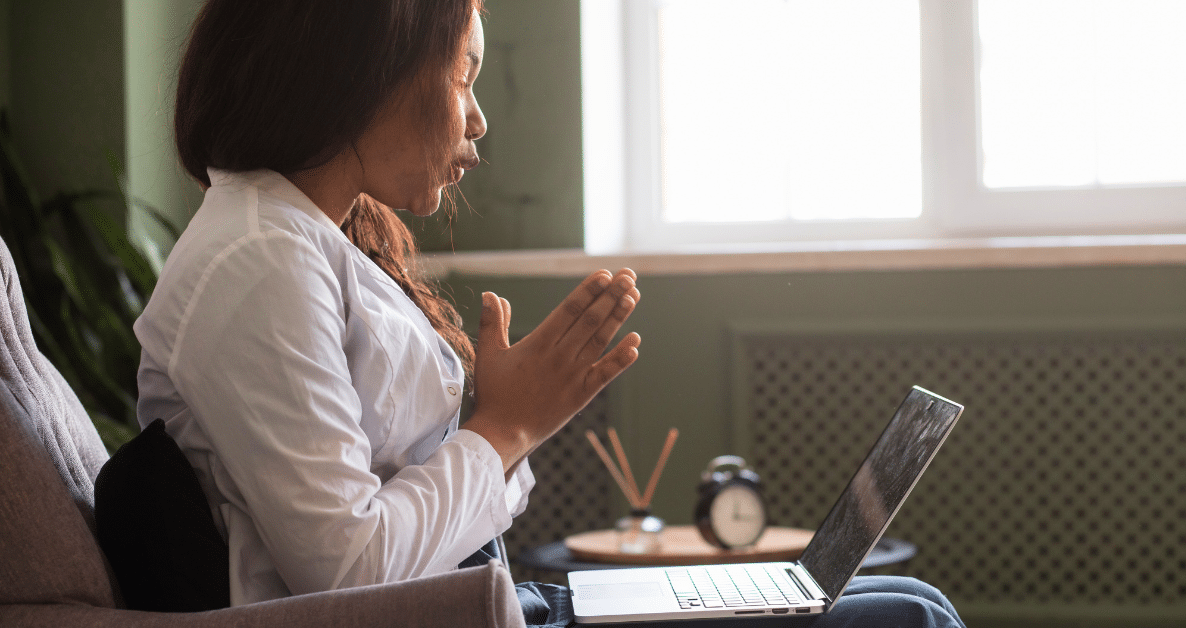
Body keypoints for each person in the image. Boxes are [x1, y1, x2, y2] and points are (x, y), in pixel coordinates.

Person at [135, 1, 965, 626]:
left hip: (495, 603)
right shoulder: (258, 261)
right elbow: (351, 575)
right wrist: (507, 427)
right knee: (909, 616)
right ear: (364, 70)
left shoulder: (304, 241)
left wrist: (508, 422)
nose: (478, 117)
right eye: (462, 76)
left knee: (907, 599)